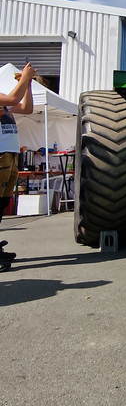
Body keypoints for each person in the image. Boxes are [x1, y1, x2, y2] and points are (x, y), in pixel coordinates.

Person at [0, 62, 37, 272]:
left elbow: (26, 107)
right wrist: (24, 77)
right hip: (1, 158)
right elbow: (14, 98)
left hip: (10, 158)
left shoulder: (4, 106)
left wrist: (28, 84)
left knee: (2, 204)